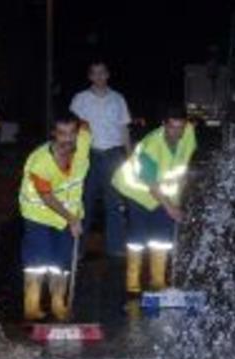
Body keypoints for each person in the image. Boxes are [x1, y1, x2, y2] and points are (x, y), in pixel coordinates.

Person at [112, 106, 196, 295]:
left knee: (161, 238)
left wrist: (177, 195)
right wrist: (171, 208)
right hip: (138, 192)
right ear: (164, 125)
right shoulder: (150, 147)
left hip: (165, 192)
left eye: (180, 127)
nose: (177, 132)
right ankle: (132, 283)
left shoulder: (188, 133)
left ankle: (158, 280)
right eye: (172, 127)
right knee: (138, 238)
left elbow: (184, 163)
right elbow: (151, 185)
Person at [18, 112, 91, 321]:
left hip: (67, 216)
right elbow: (47, 197)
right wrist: (72, 219)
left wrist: (71, 218)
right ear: (53, 134)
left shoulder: (84, 140)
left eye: (72, 133)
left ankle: (59, 305)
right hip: (38, 214)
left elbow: (86, 124)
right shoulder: (39, 162)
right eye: (62, 133)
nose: (67, 139)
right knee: (38, 261)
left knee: (62, 262)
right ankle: (31, 307)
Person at [70, 60, 133, 258]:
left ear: (108, 75)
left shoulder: (118, 99)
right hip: (87, 155)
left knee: (114, 202)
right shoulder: (80, 99)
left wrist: (130, 156)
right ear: (90, 77)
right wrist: (69, 155)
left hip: (113, 155)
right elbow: (71, 129)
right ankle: (77, 248)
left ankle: (115, 247)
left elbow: (124, 129)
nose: (99, 76)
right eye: (95, 73)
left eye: (102, 73)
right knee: (84, 202)